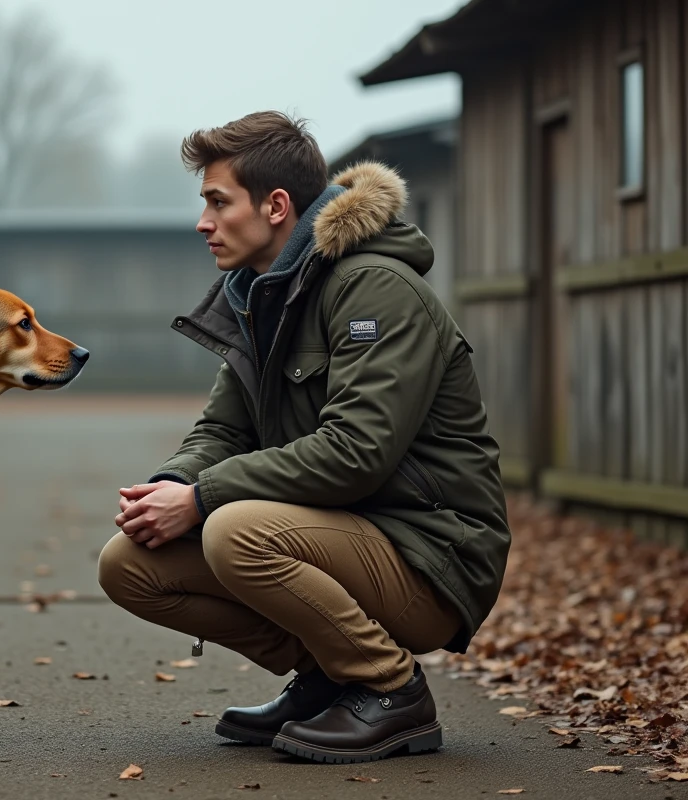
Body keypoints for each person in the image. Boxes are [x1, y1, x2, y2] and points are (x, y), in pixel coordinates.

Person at [96, 110, 511, 764]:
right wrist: (172, 487)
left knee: (236, 531)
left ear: (277, 205)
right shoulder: (263, 296)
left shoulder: (374, 289)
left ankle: (389, 688)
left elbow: (357, 453)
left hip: (431, 553)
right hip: (341, 536)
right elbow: (223, 429)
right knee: (129, 565)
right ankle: (331, 676)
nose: (203, 222)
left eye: (217, 202)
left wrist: (203, 500)